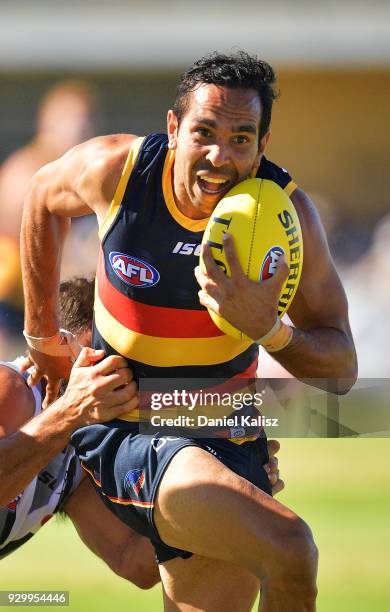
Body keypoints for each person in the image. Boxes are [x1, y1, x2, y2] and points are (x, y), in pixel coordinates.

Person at [20, 52, 357, 611]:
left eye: (241, 138)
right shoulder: (120, 172)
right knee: (292, 549)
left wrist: (270, 331)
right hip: (128, 428)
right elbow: (40, 197)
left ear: (263, 144)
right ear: (174, 128)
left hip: (226, 438)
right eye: (204, 132)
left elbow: (342, 370)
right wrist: (44, 339)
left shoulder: (286, 219)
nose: (219, 156)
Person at [1, 277, 283, 590]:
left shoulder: (82, 442)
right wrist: (70, 411)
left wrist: (228, 486)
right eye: (119, 347)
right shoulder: (13, 389)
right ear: (70, 344)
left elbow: (133, 560)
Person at [0, 80, 98, 357]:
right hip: (13, 303)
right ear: (46, 123)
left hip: (51, 303)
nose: (81, 128)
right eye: (72, 119)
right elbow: (31, 247)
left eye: (86, 119)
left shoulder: (82, 173)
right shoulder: (27, 172)